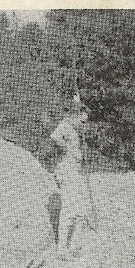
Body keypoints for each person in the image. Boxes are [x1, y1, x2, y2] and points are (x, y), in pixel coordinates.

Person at [50, 95, 93, 254]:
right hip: (66, 172)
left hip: (73, 172)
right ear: (75, 116)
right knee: (69, 210)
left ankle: (73, 246)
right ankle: (62, 249)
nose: (83, 124)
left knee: (78, 210)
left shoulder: (73, 130)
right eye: (82, 121)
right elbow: (54, 137)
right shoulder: (66, 126)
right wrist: (68, 149)